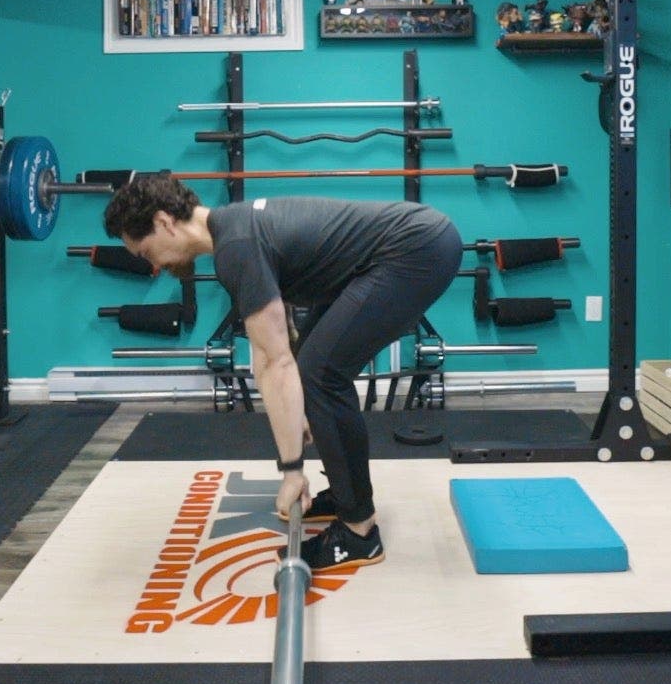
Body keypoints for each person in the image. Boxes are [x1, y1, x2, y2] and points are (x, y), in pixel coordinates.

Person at [103, 175, 463, 572]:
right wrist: (301, 418)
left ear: (164, 223)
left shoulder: (236, 247)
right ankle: (347, 496)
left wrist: (291, 472)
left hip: (417, 250)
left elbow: (276, 363)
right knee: (313, 367)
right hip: (409, 246)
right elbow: (278, 343)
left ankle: (359, 532)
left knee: (320, 374)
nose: (152, 264)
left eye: (145, 251)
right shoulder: (235, 229)